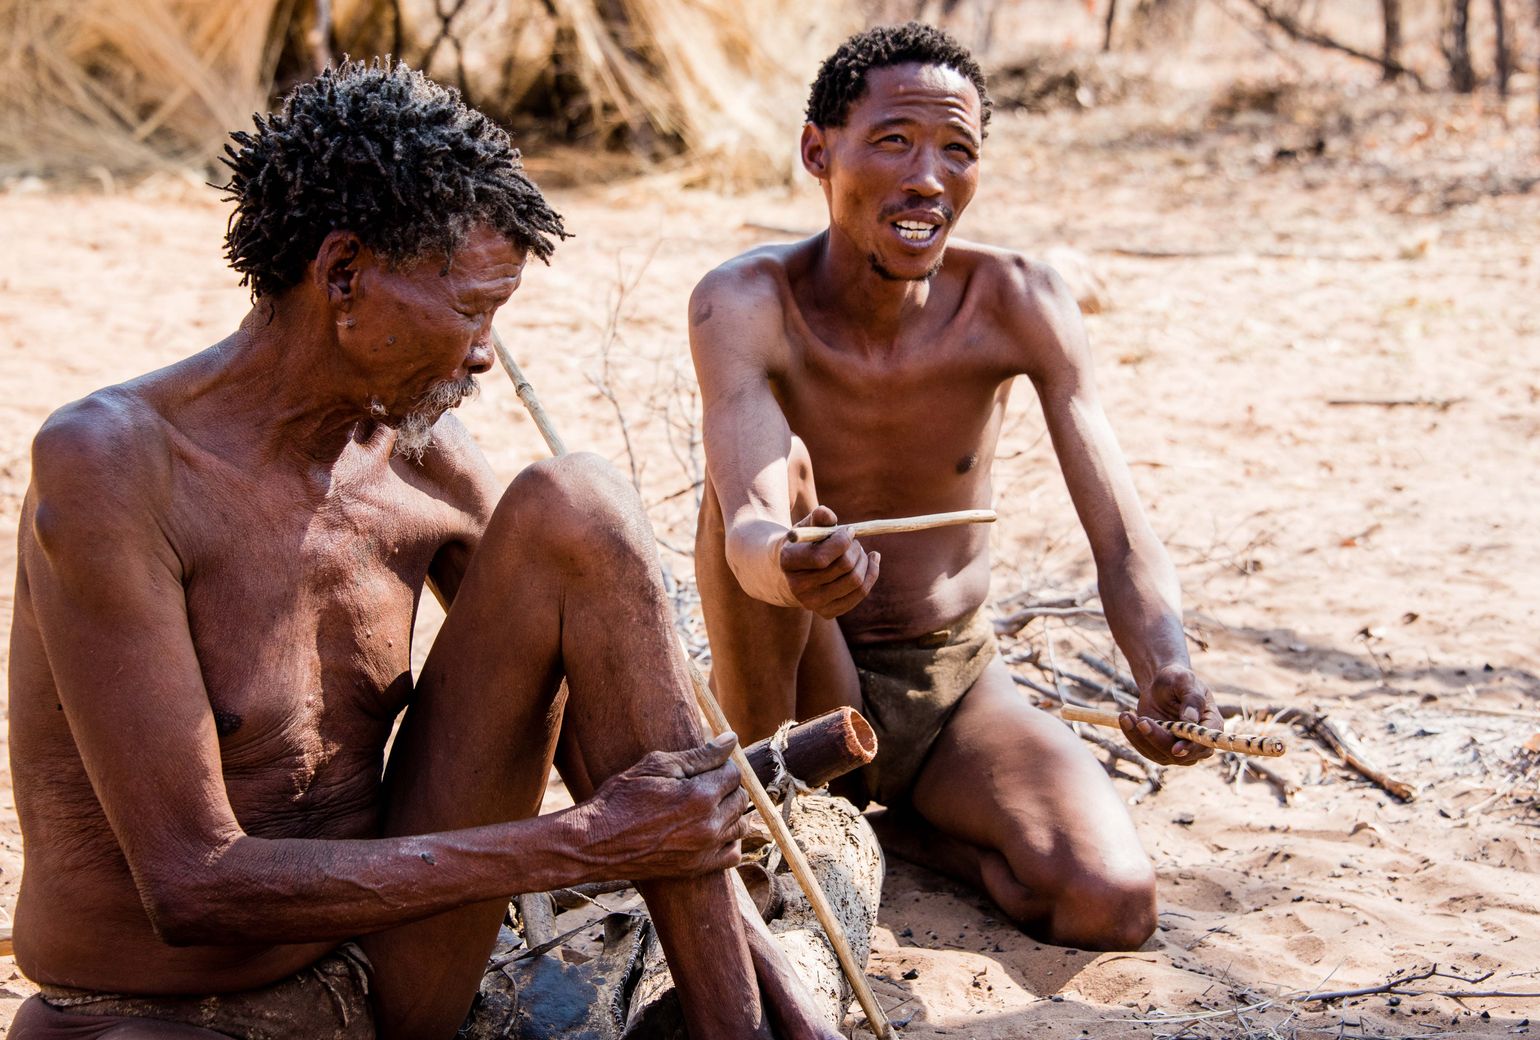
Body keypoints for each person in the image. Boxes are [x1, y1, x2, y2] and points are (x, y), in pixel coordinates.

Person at [8, 60, 838, 1040]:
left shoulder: (416, 451)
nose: (486, 353)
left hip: (391, 974)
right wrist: (576, 843)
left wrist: (760, 967)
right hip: (158, 1010)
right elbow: (190, 883)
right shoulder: (115, 466)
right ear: (346, 274)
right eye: (472, 309)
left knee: (584, 503)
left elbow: (643, 754)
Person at [691, 23, 1225, 952]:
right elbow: (744, 526)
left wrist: (1163, 667)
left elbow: (1122, 536)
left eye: (958, 150)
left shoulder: (1020, 300)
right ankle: (780, 795)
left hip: (952, 684)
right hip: (799, 666)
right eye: (894, 140)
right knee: (792, 484)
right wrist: (793, 567)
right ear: (819, 151)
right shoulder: (745, 300)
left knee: (1112, 902)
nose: (928, 178)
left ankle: (907, 833)